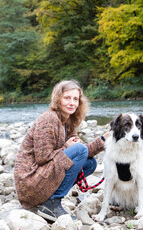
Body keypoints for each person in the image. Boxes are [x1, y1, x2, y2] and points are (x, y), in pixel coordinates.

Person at [14, 80, 108, 222]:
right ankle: (52, 202)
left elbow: (84, 152)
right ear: (58, 99)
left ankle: (50, 200)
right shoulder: (48, 119)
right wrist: (66, 148)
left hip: (44, 177)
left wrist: (103, 139)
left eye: (75, 99)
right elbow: (42, 157)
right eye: (67, 98)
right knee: (79, 150)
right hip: (31, 182)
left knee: (90, 164)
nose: (72, 103)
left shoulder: (67, 121)